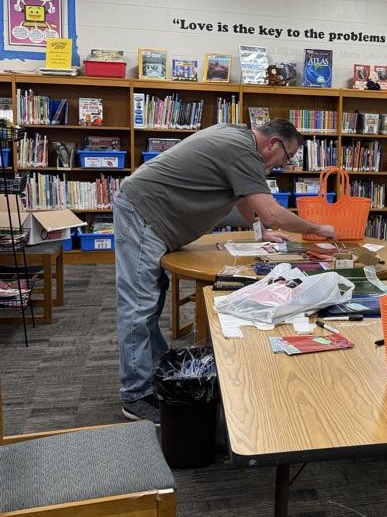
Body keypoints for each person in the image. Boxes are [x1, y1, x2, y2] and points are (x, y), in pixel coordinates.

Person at [114, 118, 335, 424]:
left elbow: (242, 195)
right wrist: (318, 229)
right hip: (144, 213)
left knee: (149, 301)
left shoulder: (239, 137)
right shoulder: (244, 152)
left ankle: (152, 373)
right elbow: (272, 213)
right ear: (273, 143)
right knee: (138, 305)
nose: (283, 165)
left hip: (150, 215)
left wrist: (259, 232)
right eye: (287, 157)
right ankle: (136, 395)